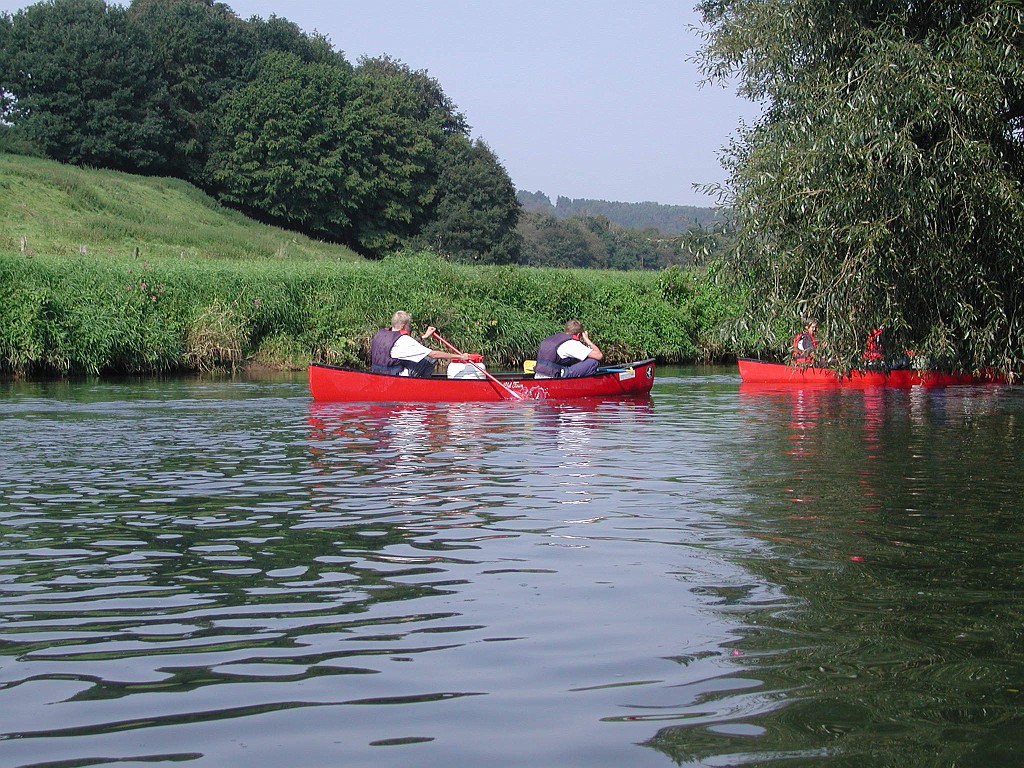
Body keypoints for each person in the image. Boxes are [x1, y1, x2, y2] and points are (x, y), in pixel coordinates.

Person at [370, 311, 477, 377]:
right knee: (429, 359)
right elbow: (433, 354)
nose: (409, 327)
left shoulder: (381, 333)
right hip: (395, 377)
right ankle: (424, 386)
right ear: (403, 326)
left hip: (377, 375)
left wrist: (424, 336)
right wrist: (460, 356)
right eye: (409, 325)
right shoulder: (403, 340)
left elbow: (402, 347)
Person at [534, 320, 603, 379]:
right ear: (579, 334)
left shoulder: (551, 339)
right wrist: (587, 340)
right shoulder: (572, 343)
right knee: (593, 362)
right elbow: (599, 355)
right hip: (554, 376)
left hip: (538, 375)